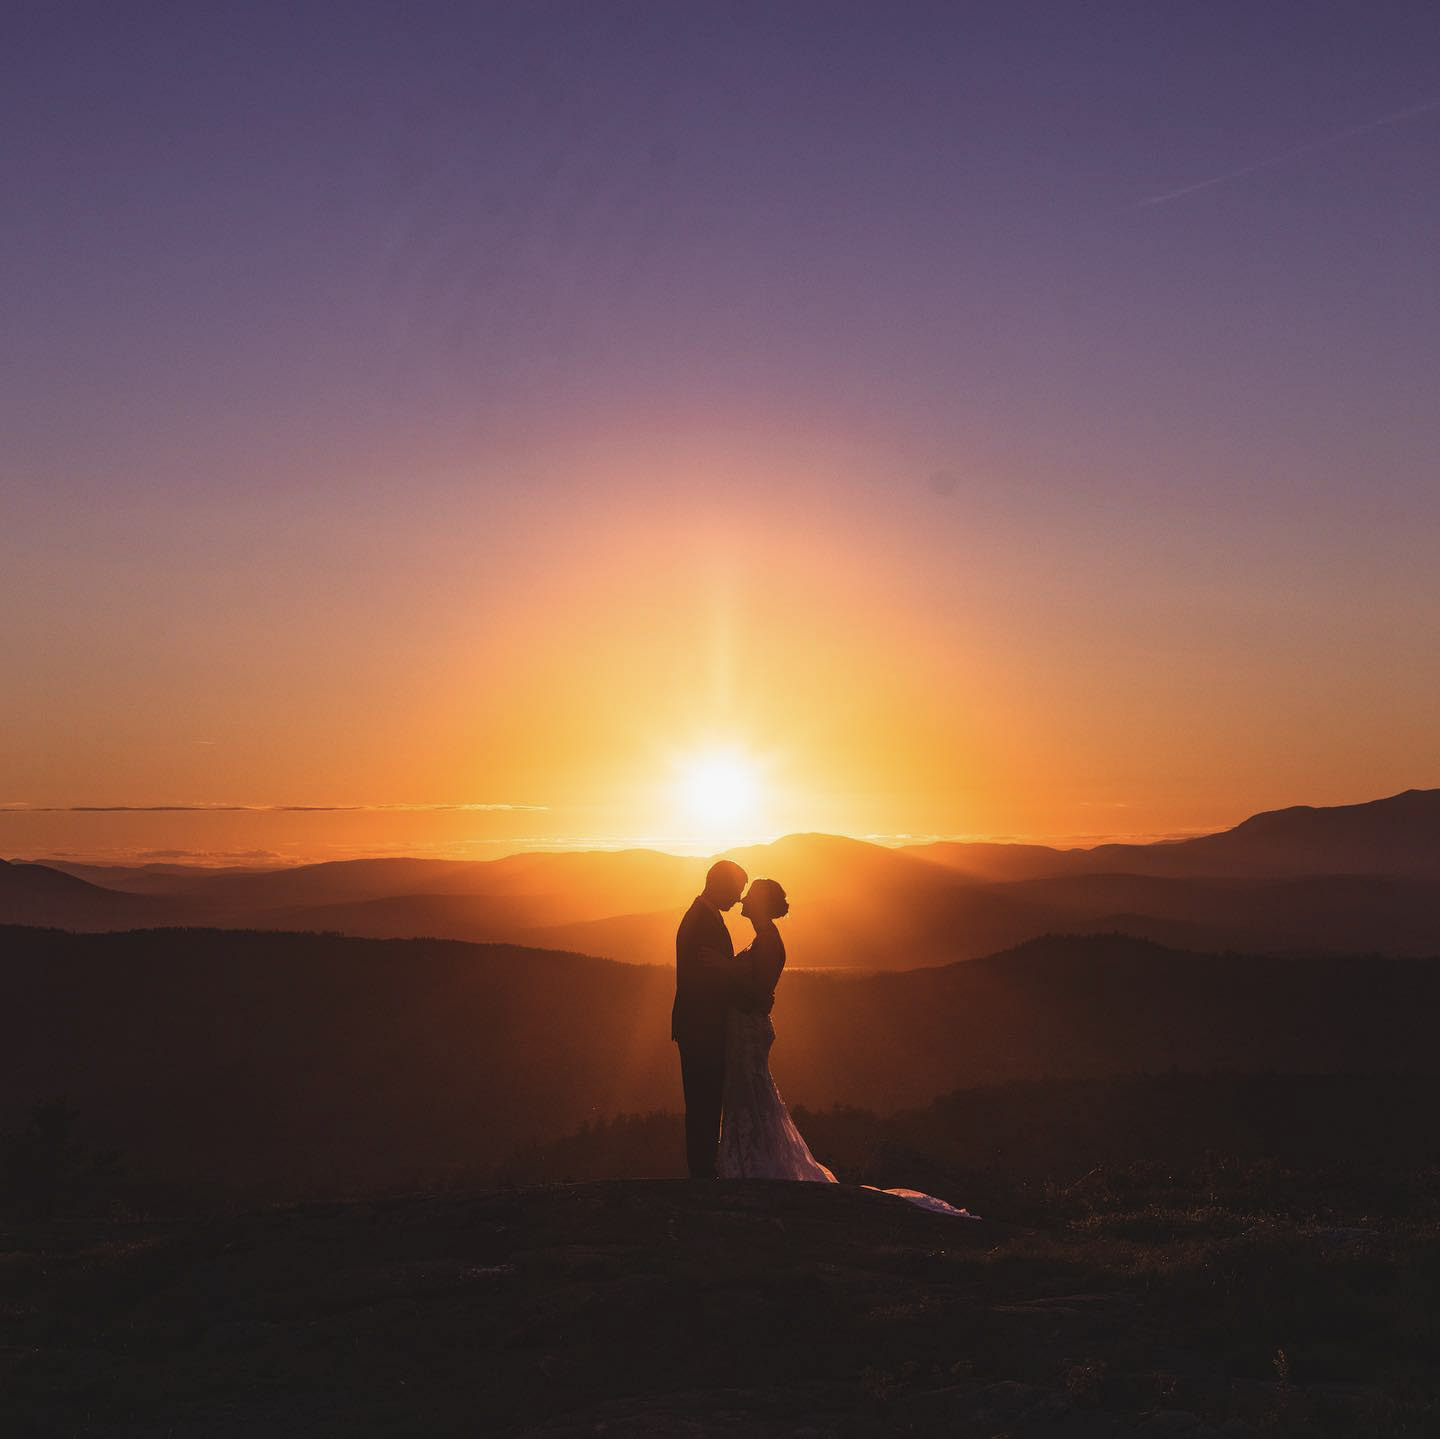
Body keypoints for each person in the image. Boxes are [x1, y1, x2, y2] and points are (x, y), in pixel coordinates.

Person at [718, 877, 977, 1220]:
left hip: (751, 1032)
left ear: (761, 905)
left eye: (749, 896)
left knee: (752, 1098)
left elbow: (760, 995)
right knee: (748, 1098)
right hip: (745, 1032)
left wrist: (723, 971)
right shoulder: (762, 939)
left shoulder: (767, 941)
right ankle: (750, 1167)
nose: (742, 900)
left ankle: (754, 1169)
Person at [671, 858, 747, 1179]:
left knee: (704, 1098)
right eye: (736, 890)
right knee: (704, 1099)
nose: (738, 898)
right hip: (702, 1028)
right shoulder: (702, 922)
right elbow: (703, 980)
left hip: (699, 1027)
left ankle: (704, 1168)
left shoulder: (703, 916)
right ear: (719, 884)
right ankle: (703, 1172)